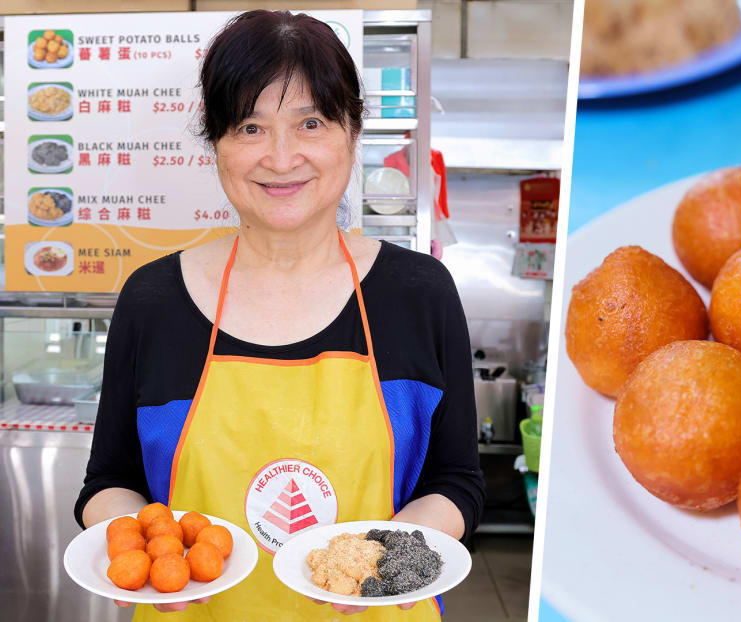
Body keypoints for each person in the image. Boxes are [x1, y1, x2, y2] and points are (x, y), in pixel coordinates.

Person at [73, 10, 485, 621]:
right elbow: (107, 481)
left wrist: (374, 564)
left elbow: (457, 482)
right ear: (216, 145)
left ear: (353, 132)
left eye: (311, 122)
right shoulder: (151, 299)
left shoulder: (419, 293)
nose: (281, 157)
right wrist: (159, 554)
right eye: (249, 127)